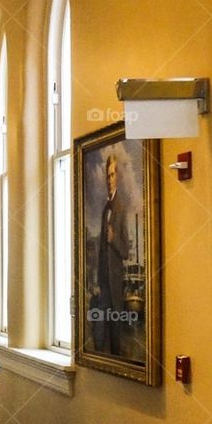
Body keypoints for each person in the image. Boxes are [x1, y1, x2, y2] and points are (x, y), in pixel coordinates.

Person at [93, 152, 129, 355]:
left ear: (118, 177)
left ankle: (116, 357)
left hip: (115, 282)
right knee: (99, 326)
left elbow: (125, 252)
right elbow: (100, 251)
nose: (110, 180)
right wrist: (98, 281)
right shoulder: (105, 208)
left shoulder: (121, 209)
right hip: (104, 282)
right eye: (107, 176)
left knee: (116, 328)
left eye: (113, 175)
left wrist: (113, 239)